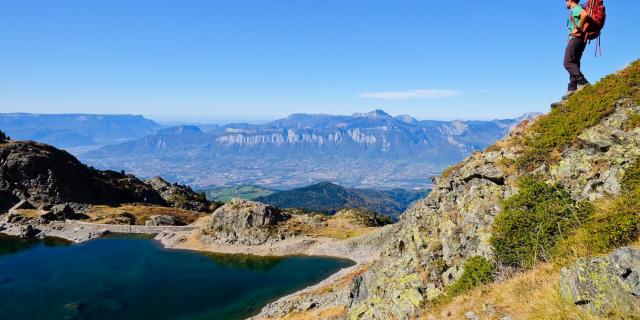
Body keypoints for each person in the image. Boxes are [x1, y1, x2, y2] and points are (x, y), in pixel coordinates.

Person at [562, 0, 590, 100]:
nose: (565, 3)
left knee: (567, 63)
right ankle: (572, 88)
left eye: (566, 1)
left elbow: (584, 15)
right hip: (581, 40)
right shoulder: (576, 9)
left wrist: (578, 28)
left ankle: (583, 83)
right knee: (574, 63)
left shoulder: (576, 8)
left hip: (576, 39)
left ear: (570, 0)